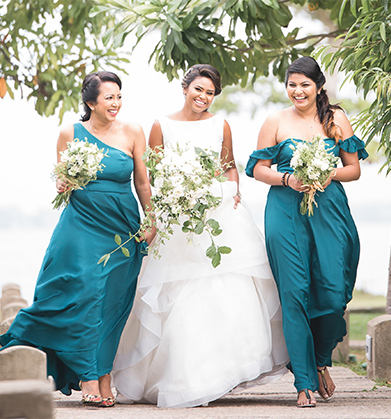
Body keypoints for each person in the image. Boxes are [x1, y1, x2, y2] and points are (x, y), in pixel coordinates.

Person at [110, 64, 289, 408]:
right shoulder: (161, 126)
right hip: (178, 216)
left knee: (225, 289)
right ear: (185, 88)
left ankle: (219, 374)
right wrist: (174, 198)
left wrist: (232, 190)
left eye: (210, 93)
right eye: (198, 90)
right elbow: (154, 172)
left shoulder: (221, 124)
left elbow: (229, 164)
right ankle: (180, 377)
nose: (203, 98)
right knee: (178, 293)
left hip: (219, 215)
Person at [0, 71, 154, 407]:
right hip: (81, 225)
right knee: (84, 294)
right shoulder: (69, 132)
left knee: (113, 303)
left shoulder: (133, 131)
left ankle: (104, 374)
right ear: (90, 102)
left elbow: (142, 182)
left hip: (122, 228)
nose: (116, 103)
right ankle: (86, 375)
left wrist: (151, 220)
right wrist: (62, 184)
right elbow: (63, 179)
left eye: (118, 96)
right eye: (108, 97)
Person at [245, 56, 368, 407]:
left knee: (332, 294)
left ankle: (319, 360)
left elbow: (354, 169)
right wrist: (288, 178)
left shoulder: (336, 119)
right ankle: (303, 382)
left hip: (329, 211)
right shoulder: (275, 120)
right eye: (292, 84)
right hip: (285, 212)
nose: (297, 91)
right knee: (295, 294)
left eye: (304, 85)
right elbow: (257, 169)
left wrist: (327, 174)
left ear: (318, 87)